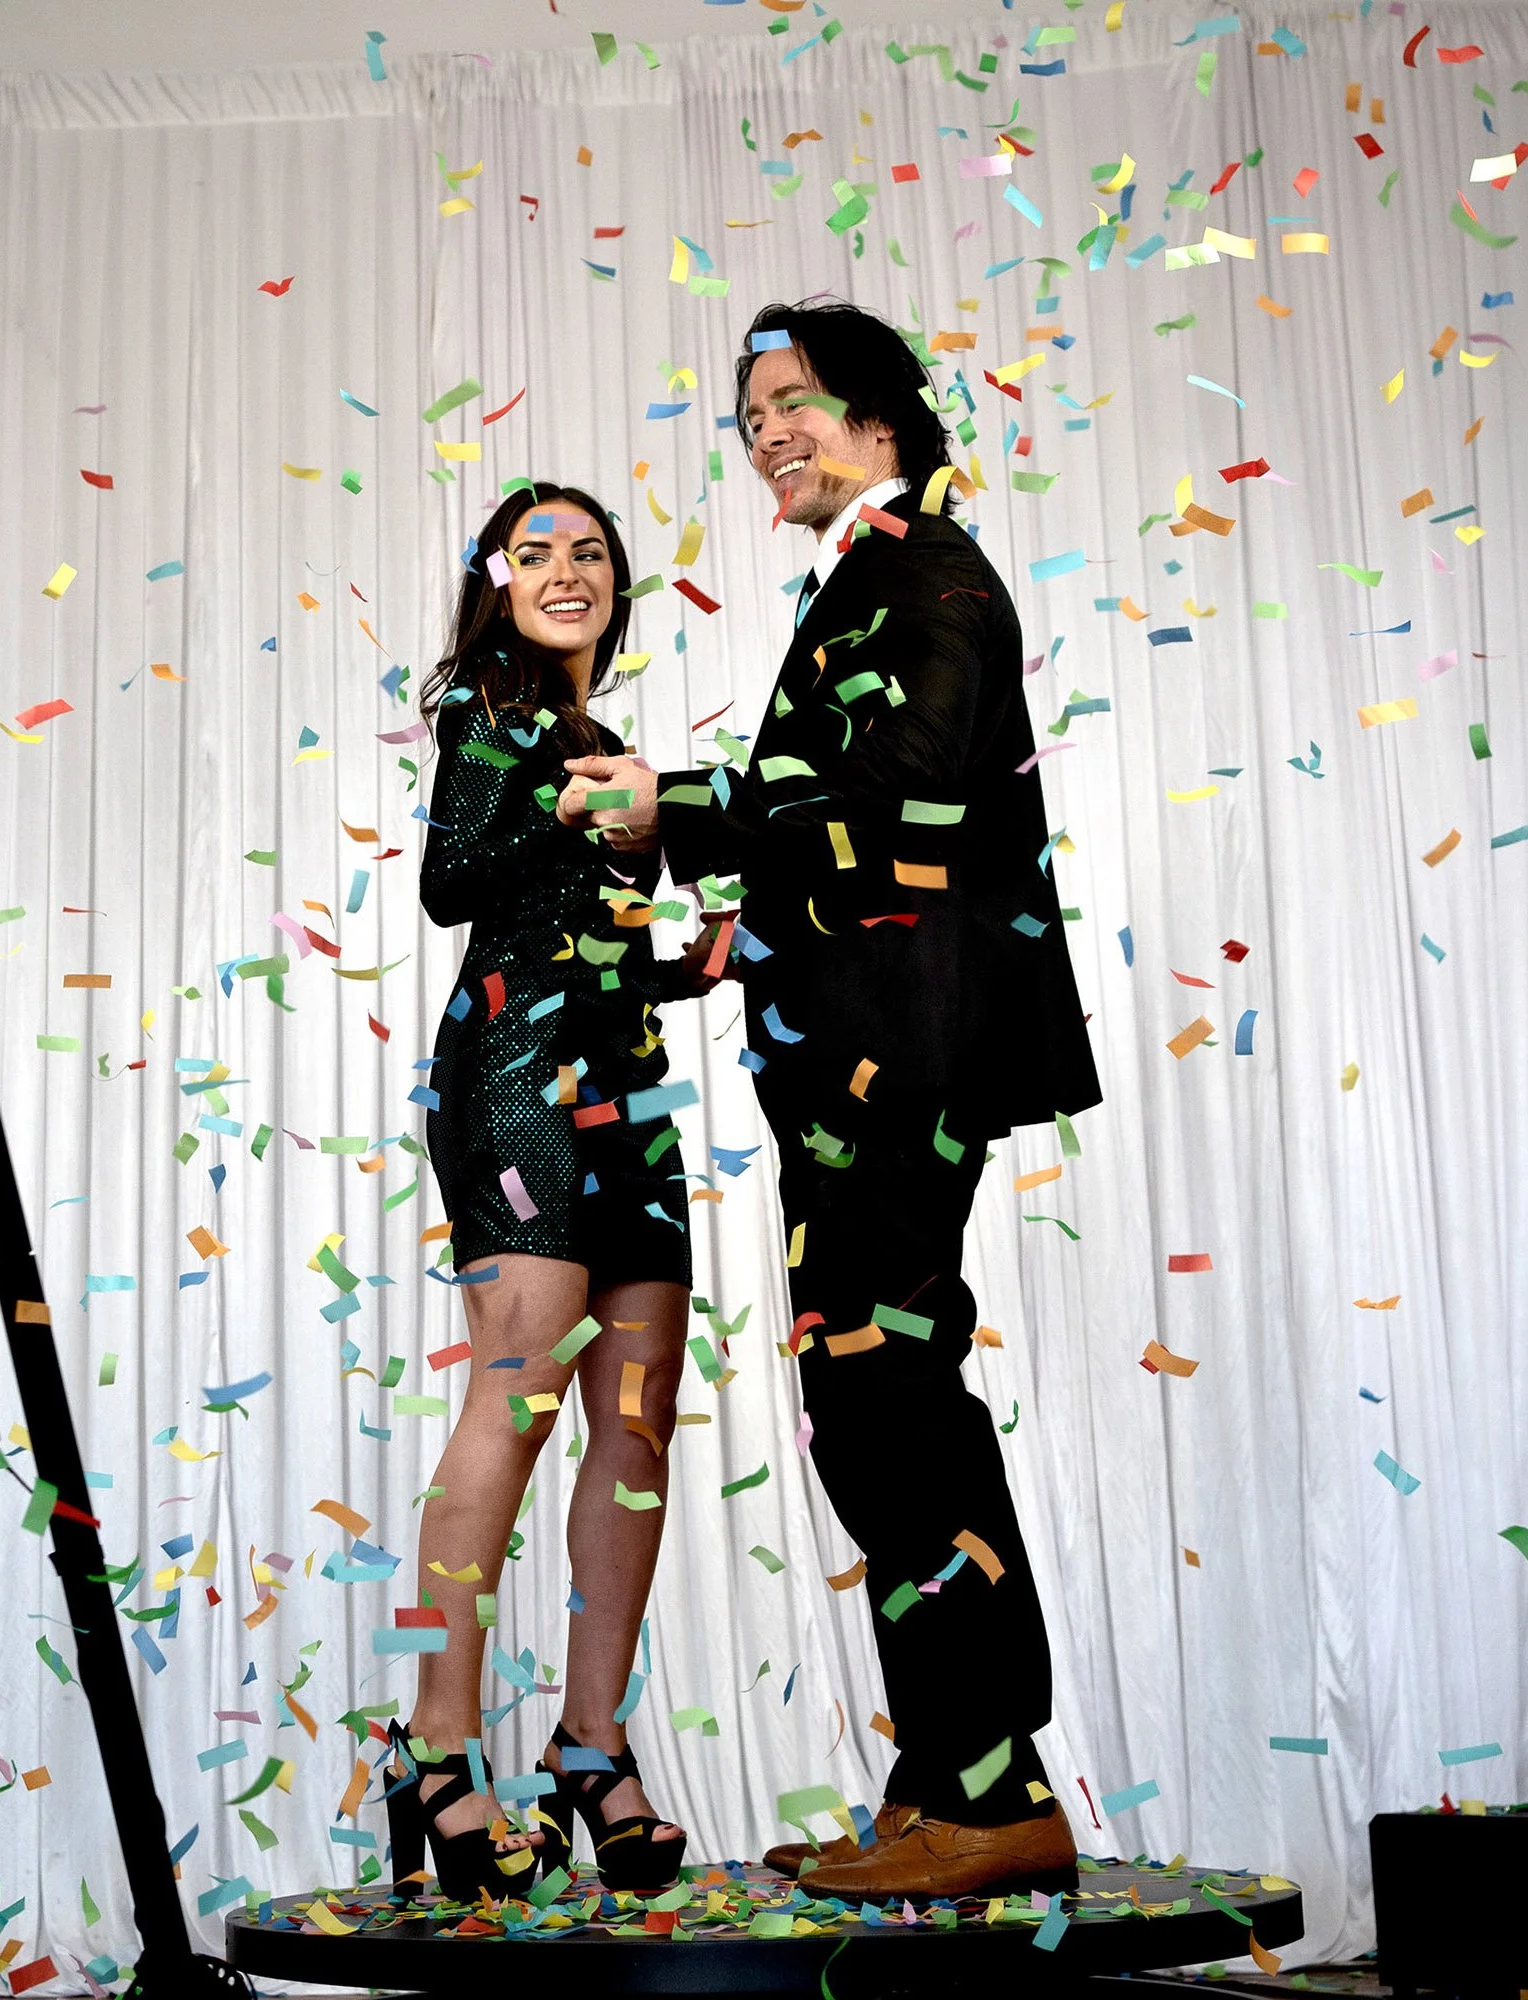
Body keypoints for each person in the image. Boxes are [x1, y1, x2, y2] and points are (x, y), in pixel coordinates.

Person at [556, 302, 1103, 1901]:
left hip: (901, 1064)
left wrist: (679, 803)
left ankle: (992, 1794)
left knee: (892, 1405)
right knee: (879, 1404)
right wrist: (742, 942)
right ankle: (951, 1783)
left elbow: (903, 789)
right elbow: (877, 845)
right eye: (750, 416)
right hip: (864, 1041)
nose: (767, 434)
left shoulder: (928, 572)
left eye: (791, 402)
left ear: (877, 410)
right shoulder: (875, 574)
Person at [388, 483, 718, 1902]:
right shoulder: (491, 715)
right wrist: (569, 801)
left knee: (635, 1429)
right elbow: (454, 884)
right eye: (538, 553)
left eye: (590, 552)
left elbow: (586, 940)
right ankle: (438, 1745)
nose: (568, 570)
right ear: (497, 585)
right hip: (518, 1082)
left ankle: (592, 1742)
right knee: (513, 1411)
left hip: (626, 1086)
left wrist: (683, 961)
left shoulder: (605, 744)